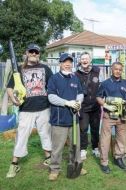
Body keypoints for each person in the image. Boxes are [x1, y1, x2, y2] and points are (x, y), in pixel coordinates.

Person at [6, 43, 53, 178]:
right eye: (31, 51)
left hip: (44, 108)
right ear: (27, 53)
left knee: (45, 134)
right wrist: (13, 99)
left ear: (39, 54)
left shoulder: (45, 68)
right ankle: (14, 164)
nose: (33, 54)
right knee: (21, 136)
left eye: (36, 52)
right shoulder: (19, 69)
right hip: (26, 109)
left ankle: (48, 157)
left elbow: (53, 84)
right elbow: (10, 87)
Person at [47, 53, 87, 181]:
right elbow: (51, 97)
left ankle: (76, 164)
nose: (68, 64)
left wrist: (78, 102)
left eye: (70, 62)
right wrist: (67, 103)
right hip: (59, 120)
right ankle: (54, 169)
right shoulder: (54, 78)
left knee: (75, 145)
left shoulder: (75, 78)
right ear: (60, 63)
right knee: (57, 147)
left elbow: (80, 93)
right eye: (65, 62)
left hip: (73, 119)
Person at [96, 62, 126, 174]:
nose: (118, 71)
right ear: (112, 69)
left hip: (122, 115)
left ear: (122, 71)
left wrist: (125, 108)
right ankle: (104, 162)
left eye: (120, 69)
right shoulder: (105, 83)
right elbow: (98, 97)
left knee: (121, 138)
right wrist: (106, 105)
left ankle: (118, 158)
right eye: (115, 69)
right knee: (105, 139)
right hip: (109, 115)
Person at [75, 52, 101, 160]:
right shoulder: (75, 74)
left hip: (95, 106)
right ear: (80, 61)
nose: (84, 61)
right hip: (83, 107)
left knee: (95, 129)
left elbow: (102, 85)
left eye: (86, 59)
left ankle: (95, 147)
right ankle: (83, 149)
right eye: (82, 59)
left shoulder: (97, 71)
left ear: (90, 60)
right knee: (83, 129)